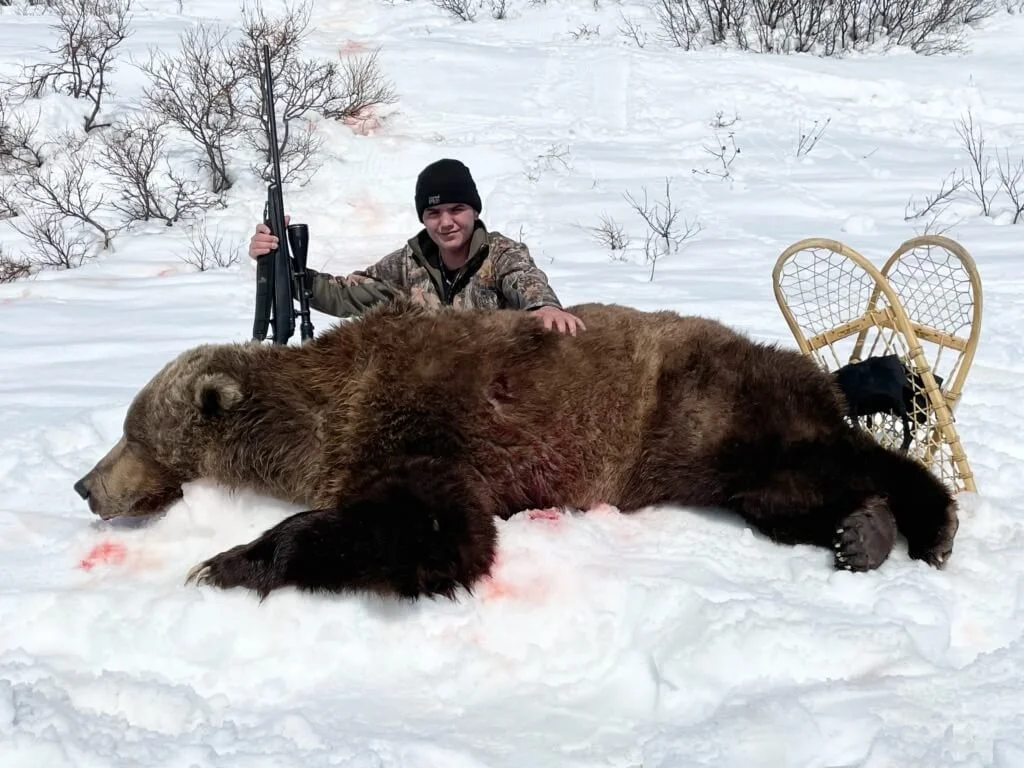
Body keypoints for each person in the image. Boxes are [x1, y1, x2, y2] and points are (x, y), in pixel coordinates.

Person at [248, 158, 586, 335]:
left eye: (457, 210)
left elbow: (524, 279)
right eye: (434, 213)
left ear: (475, 211)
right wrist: (279, 263)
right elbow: (343, 293)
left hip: (497, 388)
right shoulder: (406, 265)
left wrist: (543, 307)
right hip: (431, 391)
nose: (446, 222)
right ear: (423, 218)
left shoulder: (501, 254)